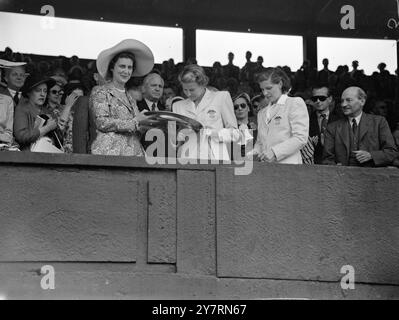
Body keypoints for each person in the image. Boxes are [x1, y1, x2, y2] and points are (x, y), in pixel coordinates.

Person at [90, 39, 155, 156]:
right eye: (122, 66)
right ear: (112, 68)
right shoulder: (100, 91)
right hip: (109, 154)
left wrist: (146, 123)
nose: (126, 71)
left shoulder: (130, 97)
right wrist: (136, 122)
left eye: (129, 67)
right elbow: (102, 122)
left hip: (133, 155)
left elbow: (137, 127)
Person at [173, 64, 239, 161]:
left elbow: (235, 133)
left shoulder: (221, 97)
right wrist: (179, 136)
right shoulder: (178, 106)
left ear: (203, 84)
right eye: (185, 90)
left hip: (216, 158)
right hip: (187, 159)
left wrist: (211, 132)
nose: (188, 94)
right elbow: (176, 141)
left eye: (192, 89)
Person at [323, 87, 398, 167]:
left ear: (362, 101)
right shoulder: (332, 128)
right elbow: (327, 159)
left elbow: (391, 152)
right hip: (343, 176)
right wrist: (335, 167)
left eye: (348, 100)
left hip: (372, 176)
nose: (343, 104)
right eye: (342, 101)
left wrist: (371, 155)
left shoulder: (379, 122)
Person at [249, 67, 309, 164]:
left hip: (290, 168)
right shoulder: (261, 113)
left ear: (280, 84)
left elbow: (300, 138)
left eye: (269, 88)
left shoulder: (294, 103)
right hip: (266, 170)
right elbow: (260, 143)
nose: (265, 93)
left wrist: (275, 152)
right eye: (262, 89)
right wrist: (250, 155)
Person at [13, 75, 59, 151]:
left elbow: (58, 140)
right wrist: (47, 128)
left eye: (45, 91)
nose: (42, 94)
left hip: (49, 155)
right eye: (38, 90)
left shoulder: (49, 112)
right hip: (29, 157)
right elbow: (21, 136)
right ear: (28, 92)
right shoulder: (22, 109)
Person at [308, 86, 341, 164]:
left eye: (322, 98)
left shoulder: (340, 120)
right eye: (315, 99)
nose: (318, 101)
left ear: (330, 99)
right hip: (312, 164)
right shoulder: (307, 119)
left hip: (334, 164)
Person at [232, 92, 256, 158]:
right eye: (236, 107)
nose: (240, 108)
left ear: (248, 108)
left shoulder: (257, 129)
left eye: (243, 105)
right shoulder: (230, 130)